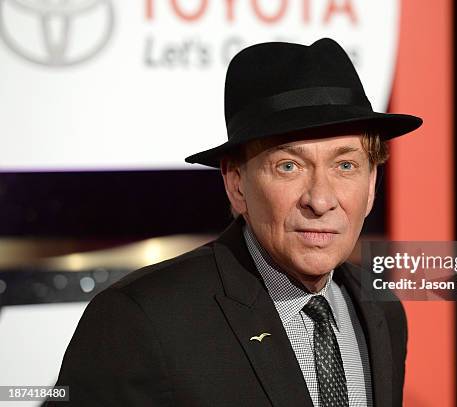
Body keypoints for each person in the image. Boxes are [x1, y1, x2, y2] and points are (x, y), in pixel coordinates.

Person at [47, 37, 422, 407]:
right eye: (289, 166)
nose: (321, 200)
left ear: (372, 184)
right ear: (236, 183)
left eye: (345, 166)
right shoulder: (141, 319)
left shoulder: (384, 311)